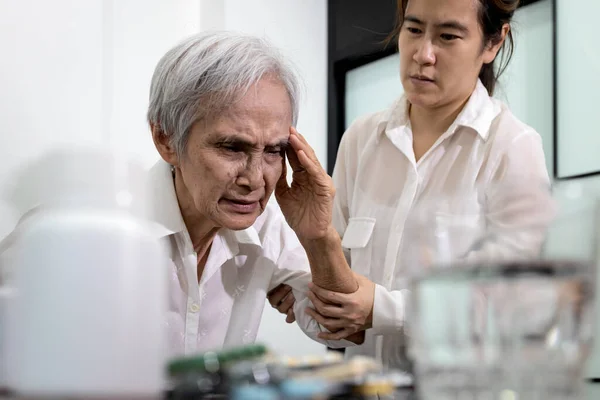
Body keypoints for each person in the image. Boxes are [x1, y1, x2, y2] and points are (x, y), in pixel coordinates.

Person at [269, 0, 553, 370]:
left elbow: (507, 305)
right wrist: (307, 291)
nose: (423, 54)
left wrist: (381, 310)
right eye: (413, 29)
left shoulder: (513, 148)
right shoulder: (362, 138)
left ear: (493, 43)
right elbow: (343, 318)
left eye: (448, 36)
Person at [145, 31, 360, 356]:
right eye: (232, 147)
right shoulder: (105, 234)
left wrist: (318, 238)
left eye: (275, 150)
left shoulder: (267, 229)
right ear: (166, 139)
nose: (255, 178)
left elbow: (342, 333)